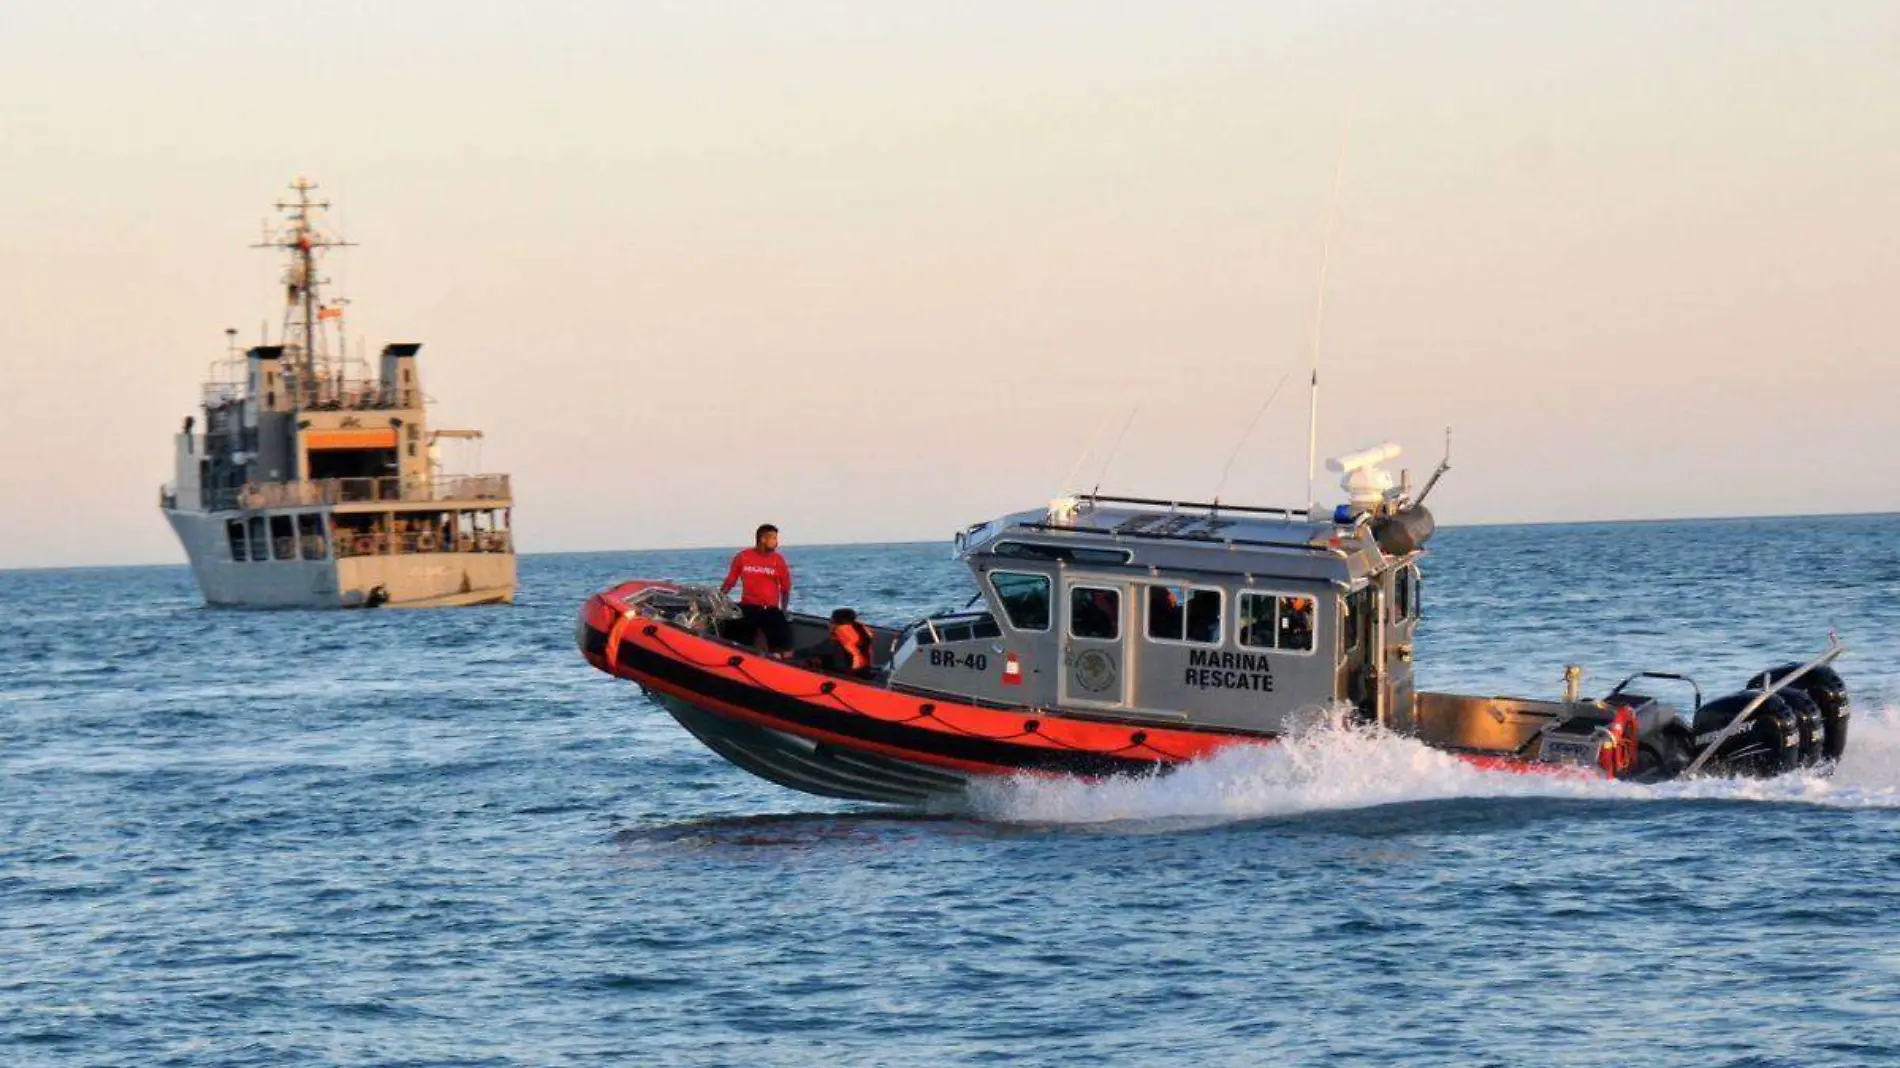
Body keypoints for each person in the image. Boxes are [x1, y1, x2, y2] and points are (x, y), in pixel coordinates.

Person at [720, 523, 794, 654]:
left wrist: (784, 609)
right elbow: (730, 581)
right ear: (762, 539)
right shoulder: (743, 557)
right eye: (773, 539)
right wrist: (720, 597)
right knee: (734, 632)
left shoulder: (778, 560)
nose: (776, 543)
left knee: (786, 644)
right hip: (749, 607)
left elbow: (786, 588)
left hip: (771, 609)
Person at [798, 608, 876, 677]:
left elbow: (811, 650)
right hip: (861, 673)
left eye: (831, 622)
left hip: (845, 677)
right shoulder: (861, 634)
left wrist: (789, 654)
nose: (829, 625)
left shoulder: (836, 640)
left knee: (813, 659)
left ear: (835, 623)